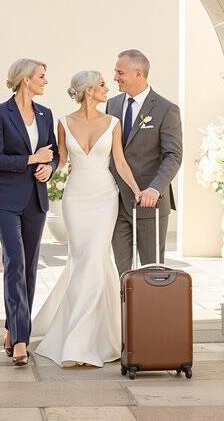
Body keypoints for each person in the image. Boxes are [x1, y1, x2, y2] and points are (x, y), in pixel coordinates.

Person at [33, 70, 142, 367]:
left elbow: (120, 163)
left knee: (94, 259)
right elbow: (62, 159)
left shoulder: (113, 123)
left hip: (104, 197)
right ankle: (88, 338)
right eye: (102, 84)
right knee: (84, 261)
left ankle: (80, 343)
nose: (108, 88)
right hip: (76, 198)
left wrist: (137, 190)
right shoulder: (64, 122)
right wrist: (48, 169)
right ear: (89, 90)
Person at [0, 58, 58, 366]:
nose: (45, 81)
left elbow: (53, 152)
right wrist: (31, 159)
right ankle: (21, 341)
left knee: (29, 269)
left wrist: (49, 168)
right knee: (14, 262)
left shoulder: (45, 113)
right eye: (41, 76)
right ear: (26, 79)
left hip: (35, 200)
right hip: (5, 200)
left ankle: (13, 329)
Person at [107, 49, 183, 275]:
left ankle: (150, 303)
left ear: (138, 73)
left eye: (120, 72)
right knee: (122, 272)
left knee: (151, 271)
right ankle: (123, 301)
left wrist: (155, 189)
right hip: (116, 202)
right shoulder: (112, 105)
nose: (115, 78)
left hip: (149, 203)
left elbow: (173, 155)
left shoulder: (166, 109)